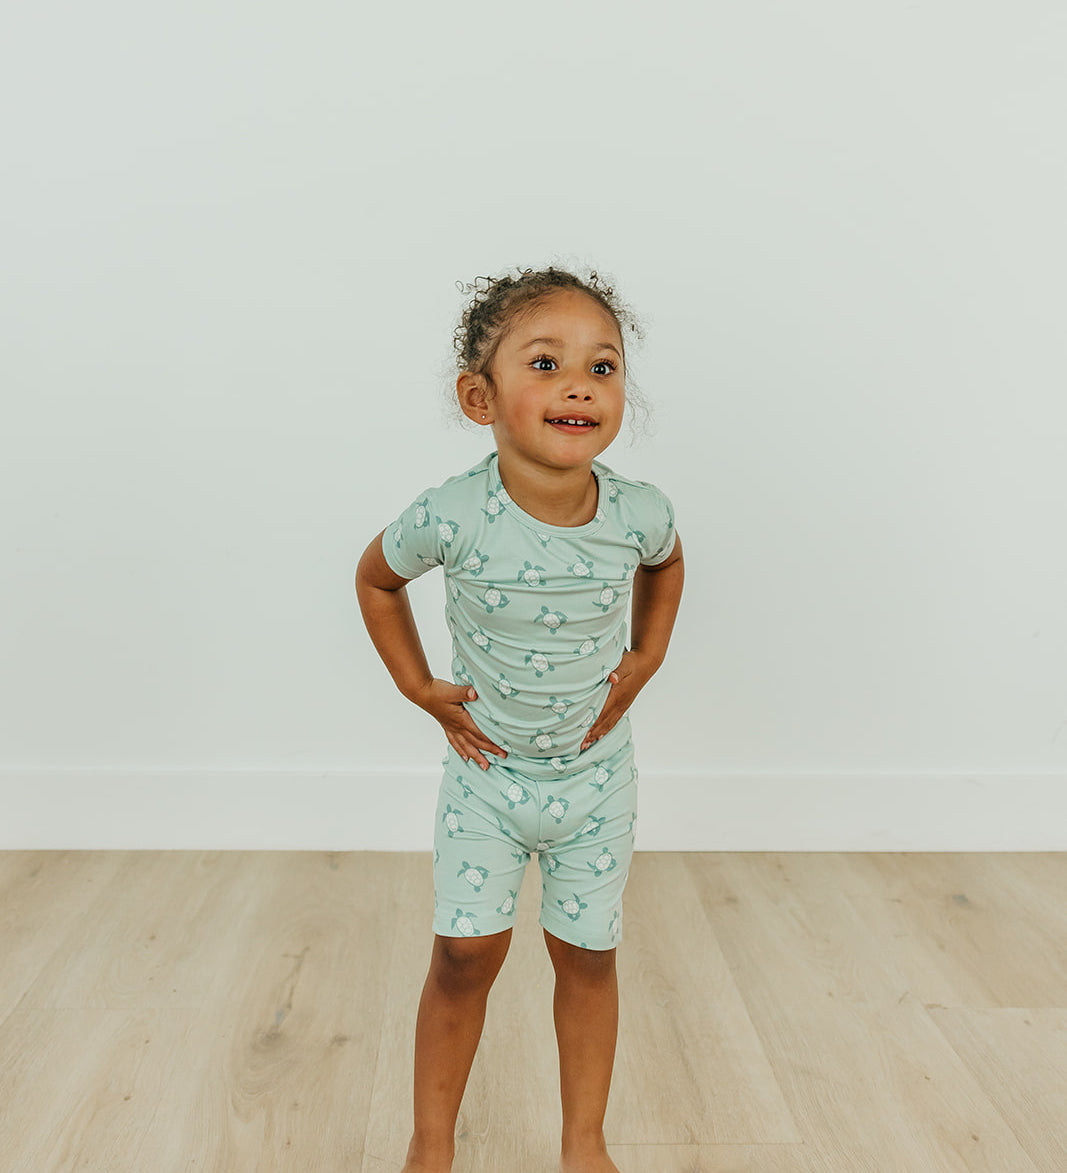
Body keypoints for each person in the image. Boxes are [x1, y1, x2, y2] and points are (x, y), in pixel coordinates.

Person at [355, 265, 685, 1173]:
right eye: (545, 363)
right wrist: (417, 685)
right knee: (464, 955)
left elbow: (665, 560)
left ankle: (584, 1143)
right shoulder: (451, 514)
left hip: (594, 779)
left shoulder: (637, 512)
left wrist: (649, 652)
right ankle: (430, 1144)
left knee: (586, 957)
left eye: (601, 366)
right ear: (480, 397)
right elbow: (376, 579)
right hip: (487, 778)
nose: (579, 385)